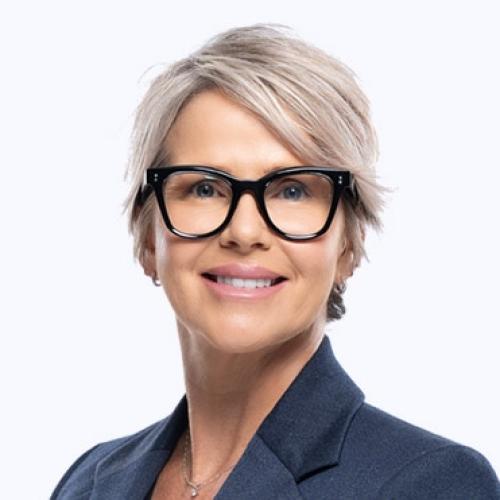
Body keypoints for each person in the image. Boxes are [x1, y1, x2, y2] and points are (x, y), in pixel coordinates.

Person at [50, 23, 500, 499]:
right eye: (205, 188)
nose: (244, 232)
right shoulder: (89, 482)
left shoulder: (433, 483)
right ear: (148, 238)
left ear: (347, 246)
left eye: (293, 190)